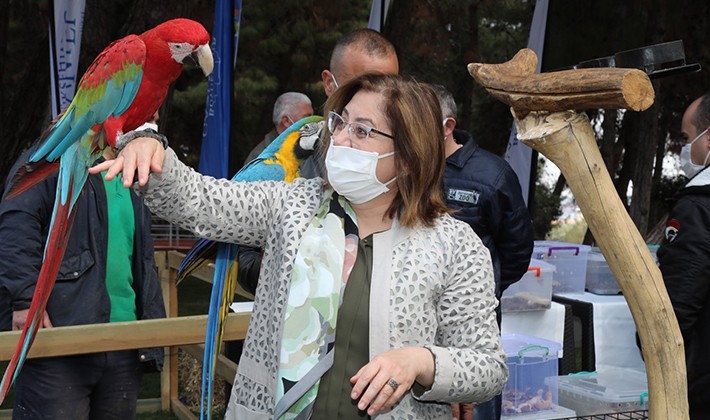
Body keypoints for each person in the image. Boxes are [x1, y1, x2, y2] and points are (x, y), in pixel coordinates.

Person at [93, 74, 508, 419]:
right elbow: (200, 200)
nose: (341, 139)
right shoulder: (292, 204)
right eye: (340, 123)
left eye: (362, 131)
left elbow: (487, 367)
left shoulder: (455, 245)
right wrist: (154, 149)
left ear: (409, 153)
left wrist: (421, 361)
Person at [0, 136, 166, 419]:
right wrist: (26, 299)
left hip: (125, 341)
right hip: (60, 340)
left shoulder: (136, 164)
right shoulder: (51, 155)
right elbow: (16, 224)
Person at [237, 28, 399, 294]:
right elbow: (245, 258)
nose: (376, 98)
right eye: (359, 86)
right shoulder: (277, 159)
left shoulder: (405, 155)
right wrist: (297, 269)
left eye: (390, 88)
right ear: (329, 83)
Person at [433, 85, 533, 420]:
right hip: (415, 319)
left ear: (448, 126)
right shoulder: (403, 166)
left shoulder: (492, 174)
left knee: (478, 406)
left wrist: (480, 292)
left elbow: (516, 250)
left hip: (472, 323)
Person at [654, 92, 710, 419]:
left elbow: (679, 300)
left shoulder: (698, 206)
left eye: (687, 138)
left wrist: (651, 345)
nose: (684, 148)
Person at [243, 92, 314, 165]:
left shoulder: (309, 148)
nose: (312, 121)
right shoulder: (259, 157)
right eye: (307, 117)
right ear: (286, 121)